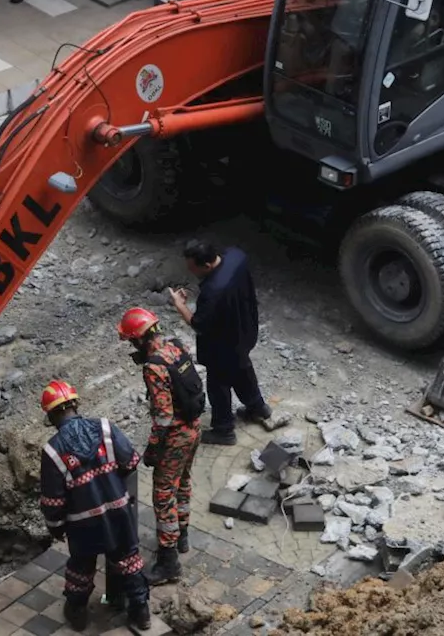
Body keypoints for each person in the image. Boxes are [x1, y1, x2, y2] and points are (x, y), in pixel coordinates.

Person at [39, 379, 151, 632]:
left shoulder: (53, 451)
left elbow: (53, 500)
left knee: (81, 567)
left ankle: (77, 613)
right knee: (129, 560)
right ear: (75, 404)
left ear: (52, 414)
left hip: (83, 524)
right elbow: (132, 460)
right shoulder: (105, 428)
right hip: (119, 514)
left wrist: (55, 527)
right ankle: (141, 612)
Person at [118, 307, 205, 585]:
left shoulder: (154, 366)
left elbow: (163, 416)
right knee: (183, 482)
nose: (133, 346)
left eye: (133, 341)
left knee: (163, 492)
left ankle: (169, 562)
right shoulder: (177, 347)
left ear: (141, 339)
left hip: (176, 436)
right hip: (195, 428)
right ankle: (182, 536)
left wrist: (153, 449)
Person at [169, 241, 271, 446]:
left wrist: (180, 306)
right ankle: (257, 407)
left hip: (223, 344)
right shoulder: (236, 255)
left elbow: (198, 324)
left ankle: (224, 430)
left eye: (192, 267)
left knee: (218, 383)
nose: (190, 271)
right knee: (242, 368)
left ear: (206, 265)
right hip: (245, 330)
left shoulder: (213, 292)